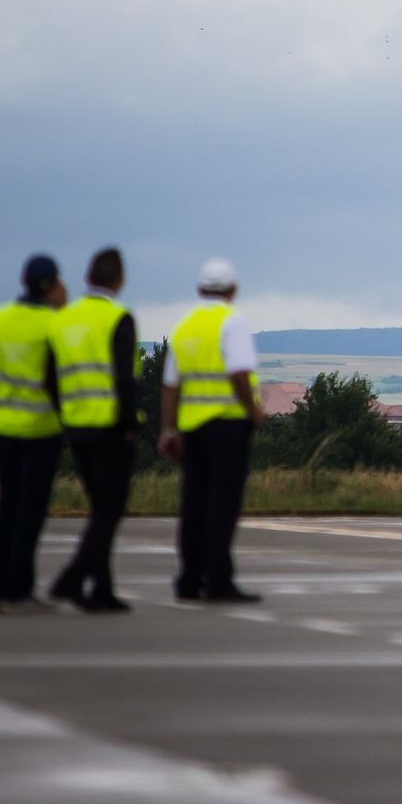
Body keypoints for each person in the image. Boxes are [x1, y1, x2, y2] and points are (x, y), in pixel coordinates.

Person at [160, 258, 261, 603]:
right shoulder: (233, 322)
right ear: (233, 289)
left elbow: (170, 385)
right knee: (222, 504)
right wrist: (253, 409)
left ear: (200, 289)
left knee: (194, 503)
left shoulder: (185, 327)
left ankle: (189, 578)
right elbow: (239, 372)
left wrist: (169, 430)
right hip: (227, 426)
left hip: (192, 428)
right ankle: (218, 579)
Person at [50, 246, 137, 612]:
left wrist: (65, 413)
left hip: (76, 426)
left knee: (100, 507)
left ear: (87, 277)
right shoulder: (118, 318)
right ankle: (72, 579)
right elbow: (124, 377)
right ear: (120, 280)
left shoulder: (64, 320)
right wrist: (129, 423)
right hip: (109, 428)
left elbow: (50, 376)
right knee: (109, 509)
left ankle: (102, 588)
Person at [0, 255, 67, 613]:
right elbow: (54, 379)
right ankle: (20, 588)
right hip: (41, 429)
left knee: (7, 507)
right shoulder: (53, 325)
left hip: (5, 426)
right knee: (30, 511)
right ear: (52, 285)